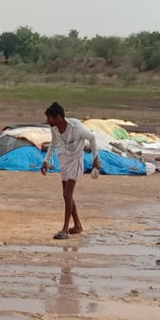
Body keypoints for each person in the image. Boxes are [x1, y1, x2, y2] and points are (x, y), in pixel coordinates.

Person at [40, 102, 102, 240]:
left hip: (76, 160)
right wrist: (46, 161)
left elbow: (92, 138)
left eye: (50, 118)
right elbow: (53, 144)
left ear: (58, 117)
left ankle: (65, 229)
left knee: (68, 194)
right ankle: (77, 225)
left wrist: (96, 159)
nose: (48, 121)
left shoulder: (76, 127)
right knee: (66, 194)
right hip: (64, 159)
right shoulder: (54, 128)